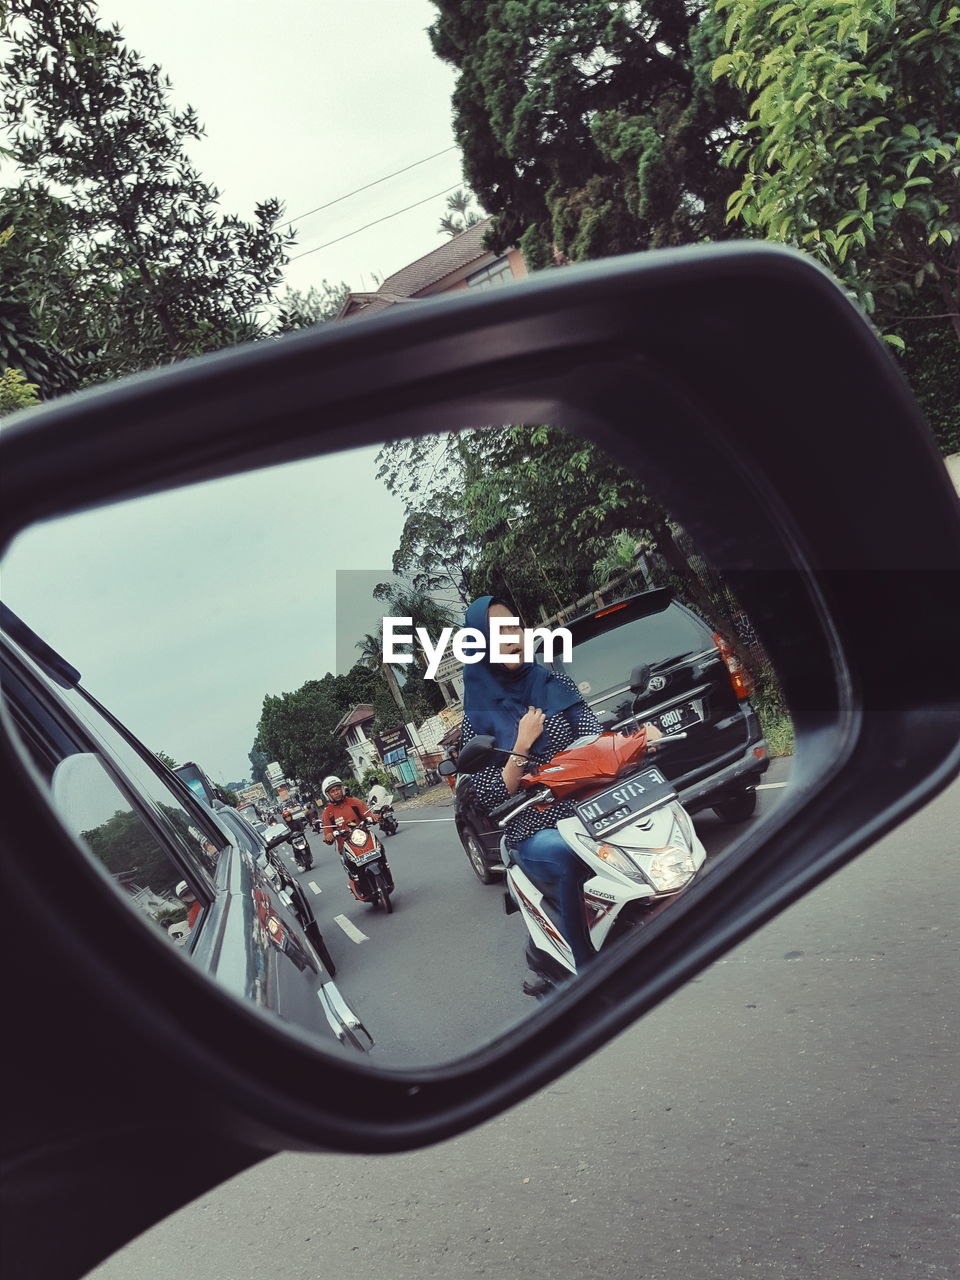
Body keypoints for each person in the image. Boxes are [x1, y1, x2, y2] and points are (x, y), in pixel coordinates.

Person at [459, 596, 662, 973]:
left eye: (514, 628)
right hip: (533, 823)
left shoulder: (553, 683)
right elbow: (490, 793)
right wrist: (520, 746)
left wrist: (638, 738)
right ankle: (585, 969)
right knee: (571, 856)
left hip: (592, 808)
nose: (511, 637)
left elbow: (593, 739)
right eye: (497, 632)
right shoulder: (477, 716)